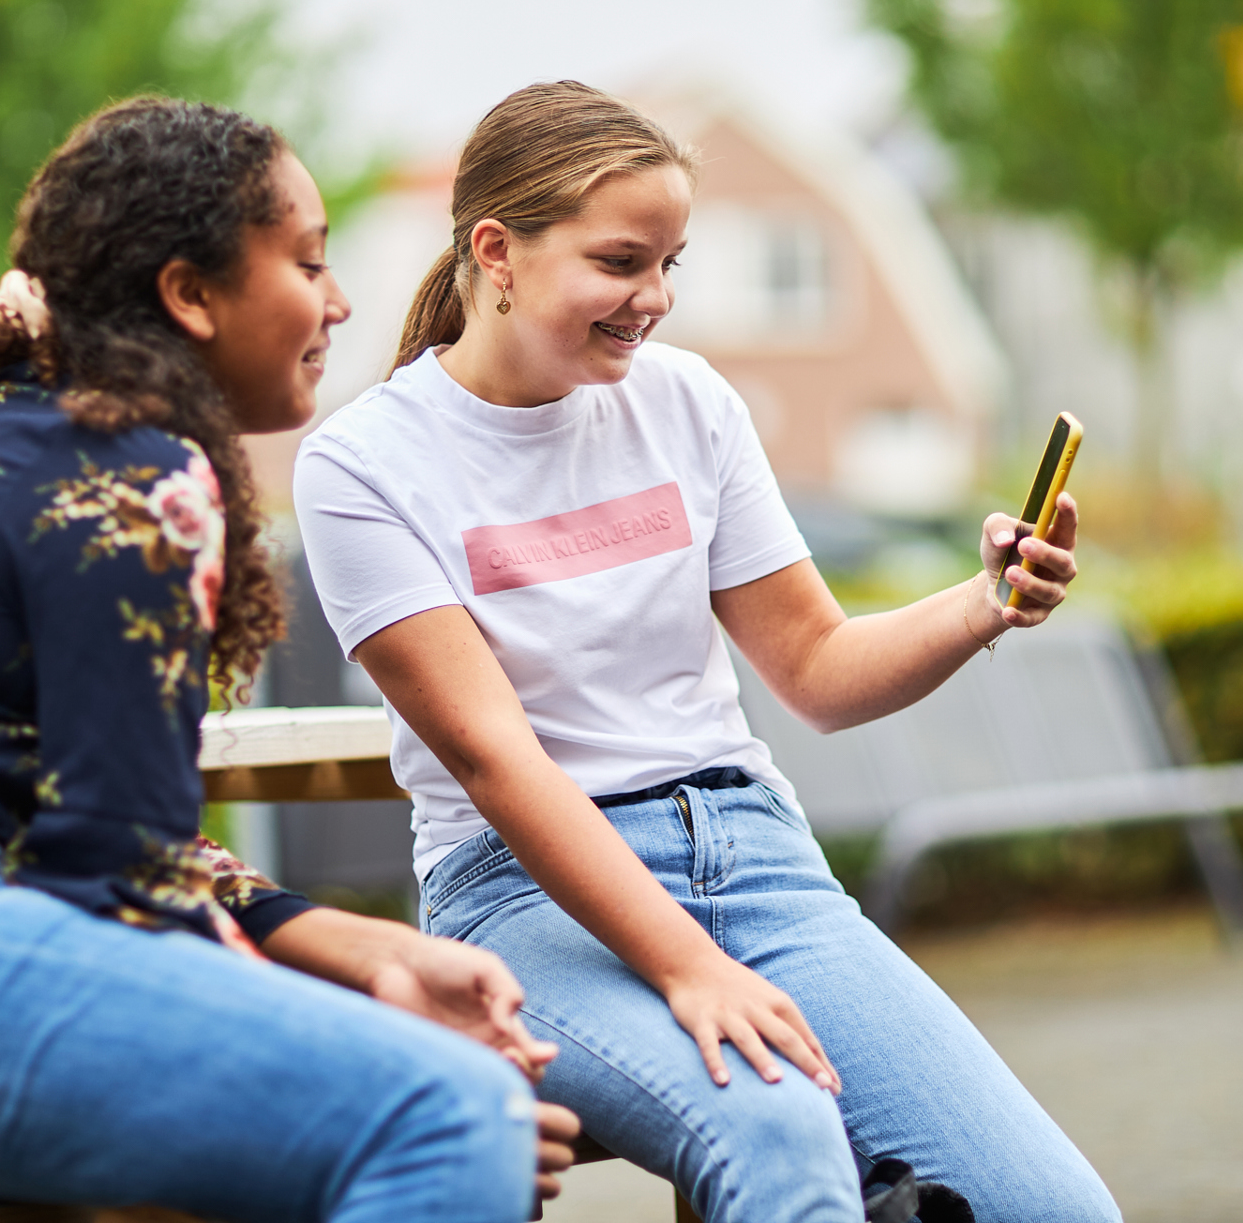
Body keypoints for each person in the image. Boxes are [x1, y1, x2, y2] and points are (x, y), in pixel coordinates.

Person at [0, 96, 578, 1223]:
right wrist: (376, 1044)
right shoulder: (133, 483)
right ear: (188, 294)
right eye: (308, 261)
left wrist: (356, 950)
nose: (337, 300)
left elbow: (92, 837)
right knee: (451, 1112)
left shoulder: (15, 440)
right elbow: (119, 882)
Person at [294, 81, 1123, 1223]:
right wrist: (688, 963)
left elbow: (818, 670)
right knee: (775, 1129)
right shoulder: (364, 465)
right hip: (530, 896)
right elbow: (499, 762)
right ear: (497, 251)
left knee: (1055, 1210)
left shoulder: (689, 405)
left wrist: (985, 601)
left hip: (758, 859)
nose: (657, 299)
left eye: (672, 262)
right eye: (623, 261)